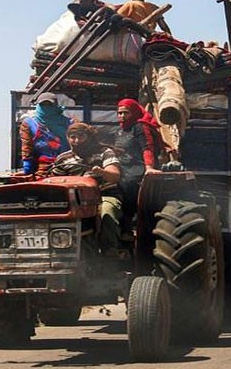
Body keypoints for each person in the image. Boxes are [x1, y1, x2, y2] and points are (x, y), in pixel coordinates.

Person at [52, 123, 123, 255]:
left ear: (88, 137)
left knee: (107, 212)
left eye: (81, 136)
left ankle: (110, 253)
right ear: (67, 138)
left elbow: (115, 176)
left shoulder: (104, 152)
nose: (77, 140)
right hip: (73, 201)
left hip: (103, 195)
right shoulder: (62, 159)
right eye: (73, 137)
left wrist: (102, 172)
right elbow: (55, 183)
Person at [114, 98, 162, 222]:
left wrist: (149, 167)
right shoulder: (119, 130)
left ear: (134, 113)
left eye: (126, 113)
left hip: (138, 166)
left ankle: (130, 219)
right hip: (123, 165)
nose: (122, 116)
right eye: (120, 113)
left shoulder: (140, 127)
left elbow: (147, 147)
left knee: (128, 183)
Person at [20, 92, 74, 175]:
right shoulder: (29, 124)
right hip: (44, 166)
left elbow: (80, 144)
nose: (46, 107)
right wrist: (27, 165)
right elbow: (27, 146)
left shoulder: (70, 123)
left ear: (55, 106)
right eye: (43, 105)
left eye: (49, 105)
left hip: (68, 163)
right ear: (38, 106)